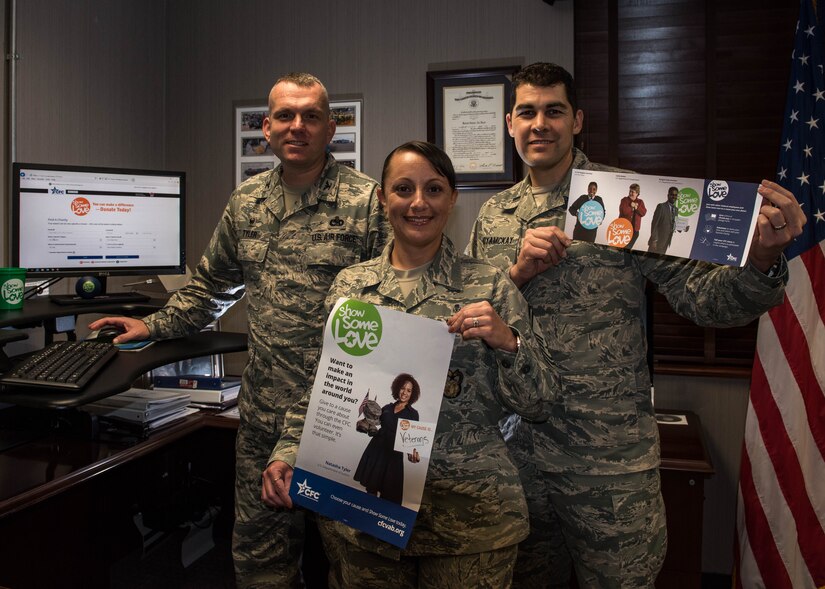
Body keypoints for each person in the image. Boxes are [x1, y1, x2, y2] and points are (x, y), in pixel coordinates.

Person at [466, 62, 806, 588]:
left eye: (554, 111)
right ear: (509, 122)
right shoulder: (493, 215)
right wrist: (515, 273)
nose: (540, 124)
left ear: (577, 120)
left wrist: (759, 260)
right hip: (518, 459)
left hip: (607, 464)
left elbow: (704, 300)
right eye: (527, 112)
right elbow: (473, 315)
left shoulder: (628, 200)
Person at [89, 72, 388, 588]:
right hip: (266, 415)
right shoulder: (246, 203)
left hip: (343, 416)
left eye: (312, 116)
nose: (298, 126)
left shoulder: (368, 204)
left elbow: (395, 307)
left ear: (330, 127)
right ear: (266, 128)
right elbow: (210, 289)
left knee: (358, 566)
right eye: (286, 116)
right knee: (258, 564)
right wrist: (151, 324)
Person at [262, 141, 555, 588]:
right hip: (365, 513)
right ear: (382, 198)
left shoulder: (489, 284)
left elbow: (540, 403)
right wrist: (287, 452)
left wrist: (508, 341)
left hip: (468, 518)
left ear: (452, 198)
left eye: (434, 189)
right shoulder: (352, 287)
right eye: (403, 188)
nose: (418, 203)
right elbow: (321, 388)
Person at [354, 373, 421, 504]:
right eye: (402, 388)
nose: (404, 393)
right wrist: (363, 424)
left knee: (389, 496)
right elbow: (372, 424)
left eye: (409, 390)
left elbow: (411, 441)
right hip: (376, 451)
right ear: (397, 388)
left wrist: (412, 455)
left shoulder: (413, 414)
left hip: (393, 457)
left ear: (412, 394)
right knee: (371, 491)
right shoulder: (386, 408)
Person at [647, 186, 680, 254]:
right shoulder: (661, 206)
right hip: (657, 241)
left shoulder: (676, 210)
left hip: (666, 242)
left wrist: (683, 228)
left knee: (657, 262)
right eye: (672, 195)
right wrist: (654, 240)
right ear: (668, 195)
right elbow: (654, 224)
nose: (674, 197)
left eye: (675, 195)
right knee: (649, 262)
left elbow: (674, 225)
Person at [618, 182, 647, 249]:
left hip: (635, 230)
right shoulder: (624, 200)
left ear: (637, 193)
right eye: (630, 191)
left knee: (628, 247)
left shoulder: (640, 202)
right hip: (624, 229)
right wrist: (631, 206)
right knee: (623, 247)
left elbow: (643, 213)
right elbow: (624, 212)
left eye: (633, 192)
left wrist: (637, 208)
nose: (630, 193)